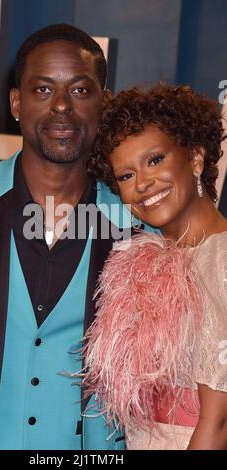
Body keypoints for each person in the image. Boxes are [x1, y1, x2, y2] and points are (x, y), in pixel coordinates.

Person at [0, 24, 134, 450]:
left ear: (103, 103)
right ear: (16, 103)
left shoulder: (138, 224)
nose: (61, 107)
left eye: (80, 91)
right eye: (42, 90)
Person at [84, 83, 227, 450]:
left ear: (196, 158)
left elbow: (219, 423)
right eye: (126, 176)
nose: (143, 183)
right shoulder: (144, 260)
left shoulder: (222, 258)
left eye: (155, 160)